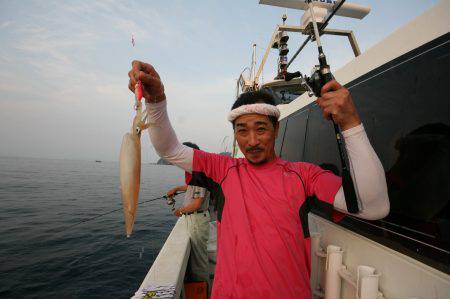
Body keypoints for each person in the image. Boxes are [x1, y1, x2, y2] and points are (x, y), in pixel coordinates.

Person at [128, 61, 390, 298]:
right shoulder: (223, 169)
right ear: (235, 134)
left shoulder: (304, 175)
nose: (251, 142)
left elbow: (373, 206)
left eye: (261, 129)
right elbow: (170, 150)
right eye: (242, 131)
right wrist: (156, 102)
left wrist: (351, 122)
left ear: (276, 129)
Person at [166, 142, 211, 284]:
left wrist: (180, 210)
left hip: (197, 220)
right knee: (198, 259)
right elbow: (191, 187)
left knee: (199, 263)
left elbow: (197, 203)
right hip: (195, 219)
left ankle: (203, 291)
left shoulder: (199, 175)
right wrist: (177, 188)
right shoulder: (196, 173)